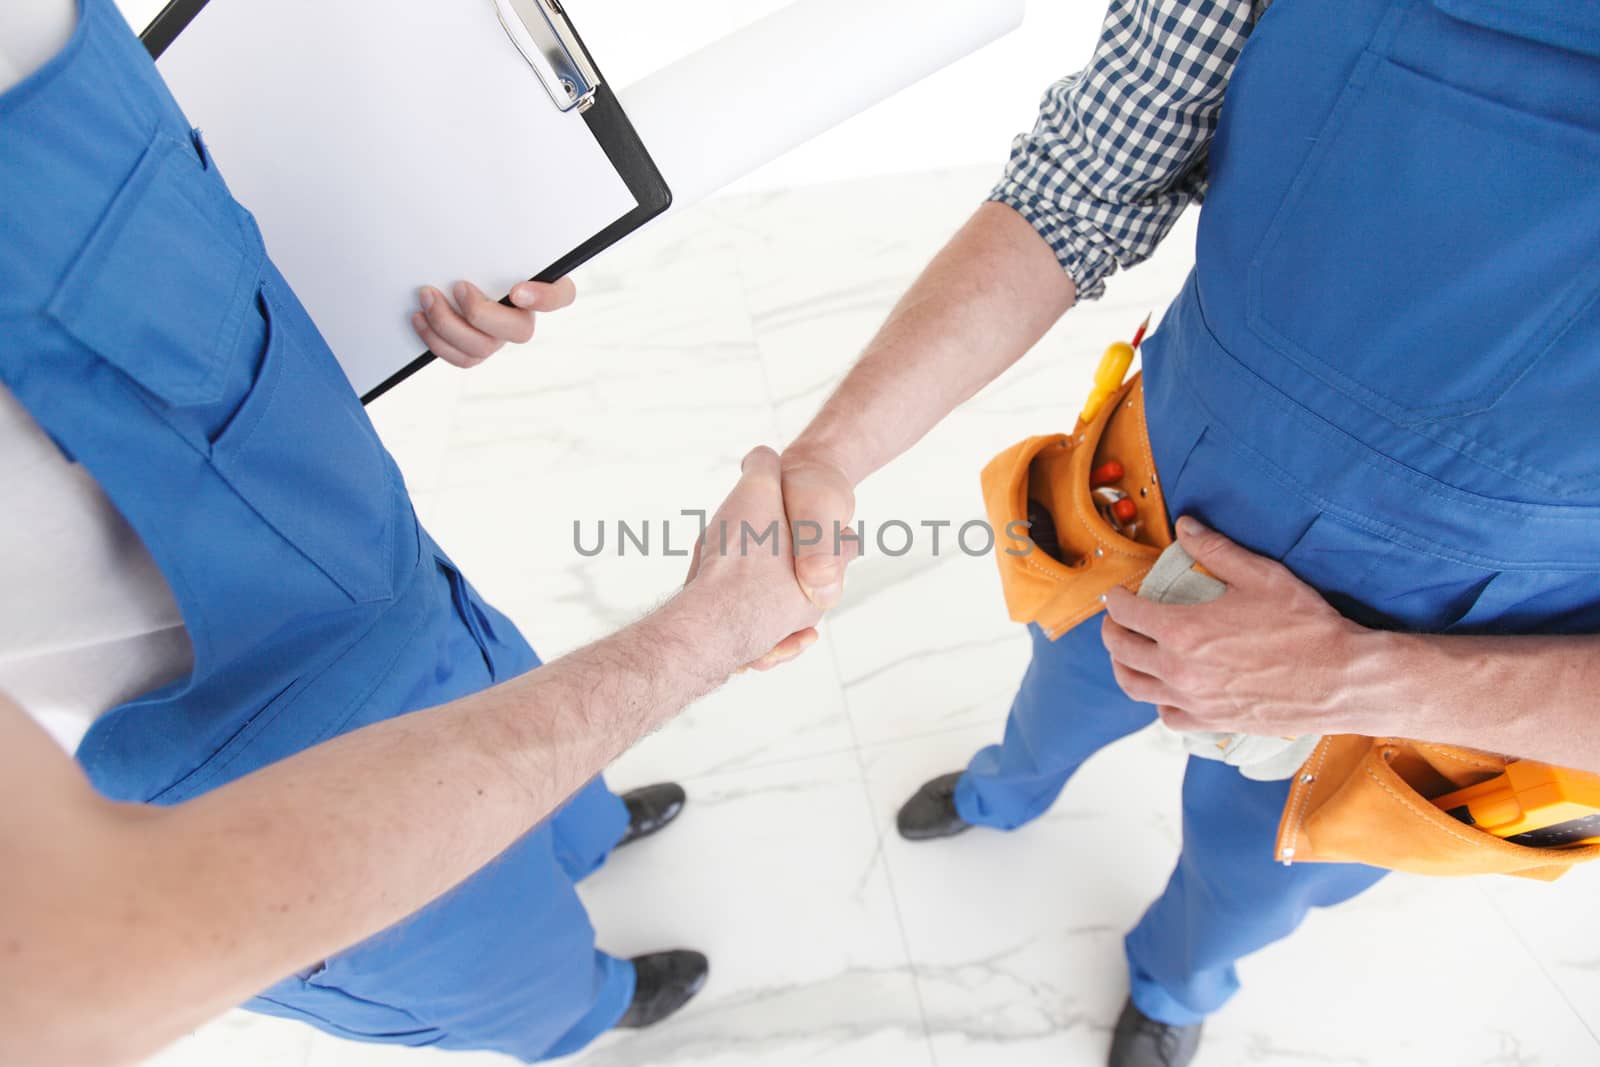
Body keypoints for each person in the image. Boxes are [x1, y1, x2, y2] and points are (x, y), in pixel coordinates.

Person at [771, 1, 1600, 1064]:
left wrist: (1356, 674)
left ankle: (1174, 981)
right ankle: (1002, 789)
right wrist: (829, 456)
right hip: (1137, 511)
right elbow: (1077, 181)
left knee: (1255, 873)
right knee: (1054, 701)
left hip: (1444, 672)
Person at [0, 0, 814, 1062]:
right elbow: (80, 965)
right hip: (245, 790)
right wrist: (702, 633)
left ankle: (590, 832)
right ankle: (593, 999)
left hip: (376, 558)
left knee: (549, 766)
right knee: (505, 967)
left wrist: (413, 248)